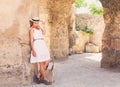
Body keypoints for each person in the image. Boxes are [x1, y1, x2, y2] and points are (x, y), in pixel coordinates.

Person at [29, 17, 51, 85]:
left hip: (42, 44)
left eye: (37, 22)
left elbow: (44, 33)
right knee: (41, 63)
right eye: (35, 22)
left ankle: (38, 75)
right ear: (32, 22)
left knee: (47, 60)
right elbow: (31, 40)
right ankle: (45, 78)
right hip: (37, 45)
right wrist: (33, 50)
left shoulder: (39, 27)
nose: (37, 23)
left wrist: (43, 25)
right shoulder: (31, 29)